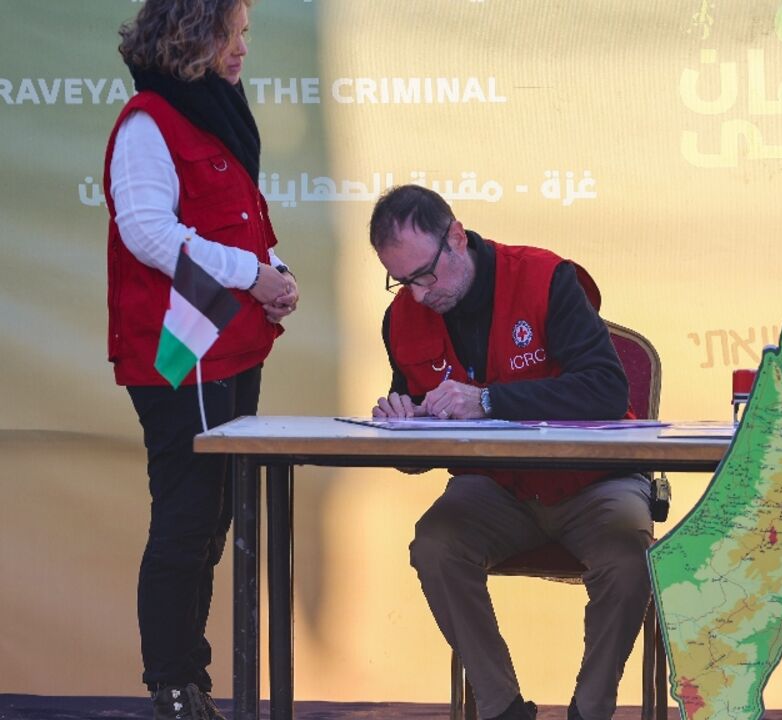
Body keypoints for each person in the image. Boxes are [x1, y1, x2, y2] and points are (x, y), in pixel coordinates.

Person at [368, 185, 653, 720]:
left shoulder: (546, 278)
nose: (420, 295)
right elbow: (415, 451)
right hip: (495, 487)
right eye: (402, 281)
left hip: (595, 480)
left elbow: (605, 390)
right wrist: (400, 425)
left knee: (627, 556)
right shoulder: (402, 318)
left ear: (456, 237)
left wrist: (489, 401)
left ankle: (590, 711)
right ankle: (502, 710)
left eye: (425, 274)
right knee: (434, 544)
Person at [105, 1, 298, 717]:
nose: (243, 47)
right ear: (193, 33)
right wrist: (253, 275)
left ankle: (195, 680)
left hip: (230, 342)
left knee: (214, 517)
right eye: (232, 33)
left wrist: (274, 273)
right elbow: (150, 234)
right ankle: (173, 686)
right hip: (179, 351)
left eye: (244, 33)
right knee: (187, 517)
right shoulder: (149, 122)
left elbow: (236, 221)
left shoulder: (215, 111)